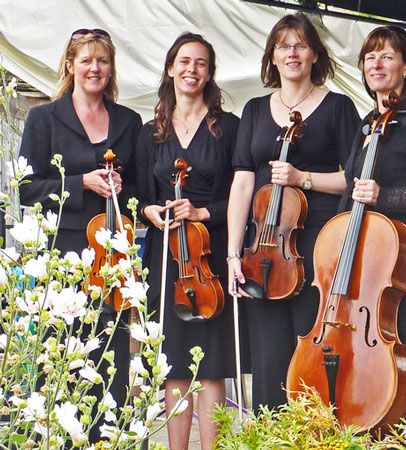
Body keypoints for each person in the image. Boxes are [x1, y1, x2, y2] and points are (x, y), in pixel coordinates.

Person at [227, 13, 360, 411]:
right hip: (264, 249)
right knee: (268, 356)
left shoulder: (338, 108)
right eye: (283, 45)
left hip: (317, 248)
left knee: (312, 348)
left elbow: (353, 181)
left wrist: (303, 178)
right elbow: (242, 183)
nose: (292, 53)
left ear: (315, 54)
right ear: (272, 55)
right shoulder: (253, 110)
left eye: (300, 44)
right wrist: (235, 252)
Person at [18, 28, 142, 439]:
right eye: (86, 60)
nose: (95, 68)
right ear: (70, 65)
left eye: (103, 61)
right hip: (63, 259)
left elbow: (139, 191)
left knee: (112, 361)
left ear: (111, 68)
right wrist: (80, 182)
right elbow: (26, 188)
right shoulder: (43, 118)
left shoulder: (129, 121)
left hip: (110, 259)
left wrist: (125, 190)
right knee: (61, 362)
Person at [136, 32, 240, 449]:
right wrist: (148, 211)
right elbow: (140, 195)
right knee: (174, 362)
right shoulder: (151, 133)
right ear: (170, 68)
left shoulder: (227, 127)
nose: (191, 69)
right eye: (183, 61)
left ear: (210, 72)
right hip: (166, 254)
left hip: (209, 251)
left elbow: (240, 192)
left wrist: (202, 212)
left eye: (200, 62)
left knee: (211, 364)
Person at [339, 25, 406, 347]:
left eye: (386, 56)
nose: (375, 64)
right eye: (369, 57)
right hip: (363, 252)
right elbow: (351, 185)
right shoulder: (369, 121)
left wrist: (383, 195)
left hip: (402, 258)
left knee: (394, 344)